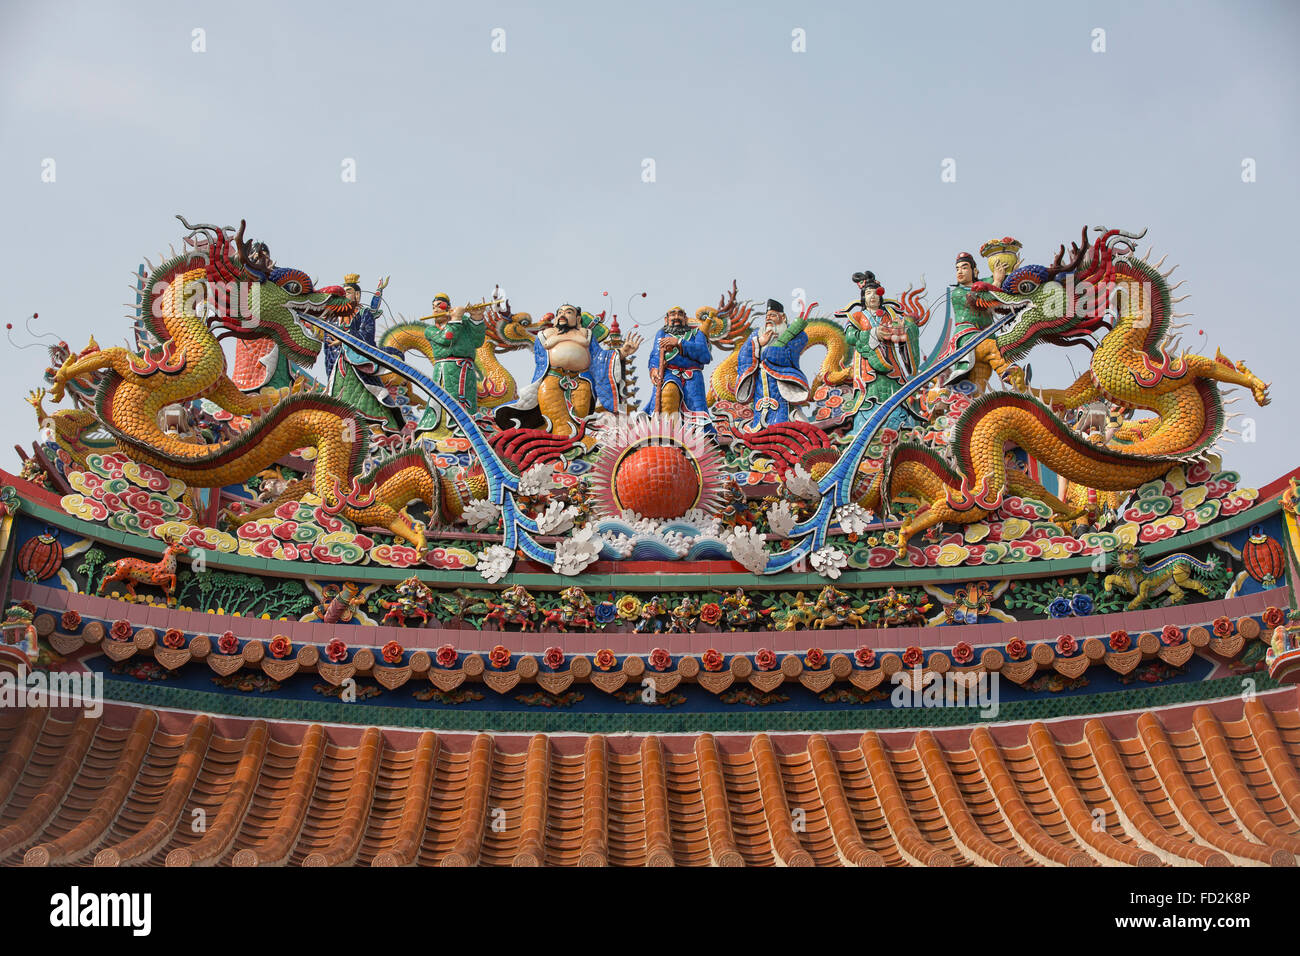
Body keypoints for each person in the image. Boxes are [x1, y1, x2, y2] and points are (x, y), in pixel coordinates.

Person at [509, 304, 641, 437]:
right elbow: (541, 362)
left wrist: (622, 352)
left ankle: (575, 445)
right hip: (552, 378)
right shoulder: (545, 335)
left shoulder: (586, 335)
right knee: (557, 419)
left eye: (568, 312)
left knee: (579, 420)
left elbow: (599, 358)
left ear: (578, 319)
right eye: (560, 312)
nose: (562, 315)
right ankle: (561, 444)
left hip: (581, 381)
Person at [840, 271, 922, 430]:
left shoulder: (889, 315)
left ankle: (899, 425)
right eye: (868, 293)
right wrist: (873, 333)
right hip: (867, 367)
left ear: (881, 297)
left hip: (891, 366)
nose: (872, 296)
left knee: (895, 397)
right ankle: (866, 428)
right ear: (863, 297)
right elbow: (850, 337)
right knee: (868, 398)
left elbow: (903, 331)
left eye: (876, 293)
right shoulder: (857, 316)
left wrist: (905, 328)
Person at [323, 273, 405, 431]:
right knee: (336, 397)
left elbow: (366, 335)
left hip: (359, 362)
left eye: (347, 292)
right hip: (340, 363)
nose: (344, 295)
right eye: (343, 292)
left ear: (357, 295)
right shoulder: (336, 318)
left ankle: (380, 428)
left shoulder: (364, 313)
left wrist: (344, 339)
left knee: (370, 398)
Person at [734, 299, 811, 428]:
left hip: (782, 381)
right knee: (760, 422)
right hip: (761, 385)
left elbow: (789, 355)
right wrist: (759, 342)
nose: (769, 318)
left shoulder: (796, 334)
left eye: (773, 315)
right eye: (767, 316)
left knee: (787, 419)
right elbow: (743, 355)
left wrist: (770, 351)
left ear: (783, 317)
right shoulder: (756, 334)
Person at [415, 300, 488, 432]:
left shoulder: (463, 323)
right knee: (445, 399)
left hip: (467, 369)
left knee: (468, 401)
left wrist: (476, 319)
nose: (436, 310)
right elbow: (447, 338)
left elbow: (477, 341)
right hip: (446, 369)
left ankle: (468, 430)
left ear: (449, 308)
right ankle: (445, 430)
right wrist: (456, 319)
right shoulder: (431, 330)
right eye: (433, 307)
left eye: (440, 306)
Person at [645, 305, 715, 436]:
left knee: (696, 410)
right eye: (672, 314)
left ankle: (696, 438)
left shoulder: (697, 334)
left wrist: (679, 342)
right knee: (668, 394)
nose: (676, 317)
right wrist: (653, 369)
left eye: (680, 314)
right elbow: (655, 355)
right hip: (669, 373)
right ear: (666, 319)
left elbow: (704, 355)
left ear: (685, 318)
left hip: (692, 376)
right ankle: (668, 436)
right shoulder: (661, 334)